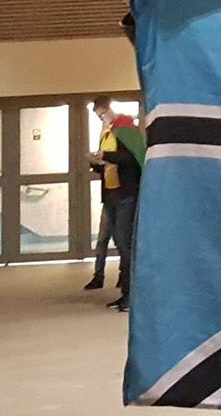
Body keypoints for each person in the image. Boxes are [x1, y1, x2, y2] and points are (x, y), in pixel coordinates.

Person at [86, 97, 144, 310]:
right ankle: (124, 292)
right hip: (111, 194)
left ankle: (131, 294)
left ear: (110, 109)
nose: (102, 119)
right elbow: (111, 164)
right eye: (99, 116)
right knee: (114, 242)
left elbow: (132, 159)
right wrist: (97, 163)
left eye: (102, 114)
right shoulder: (108, 133)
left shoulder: (126, 129)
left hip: (126, 193)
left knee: (125, 243)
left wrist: (107, 155)